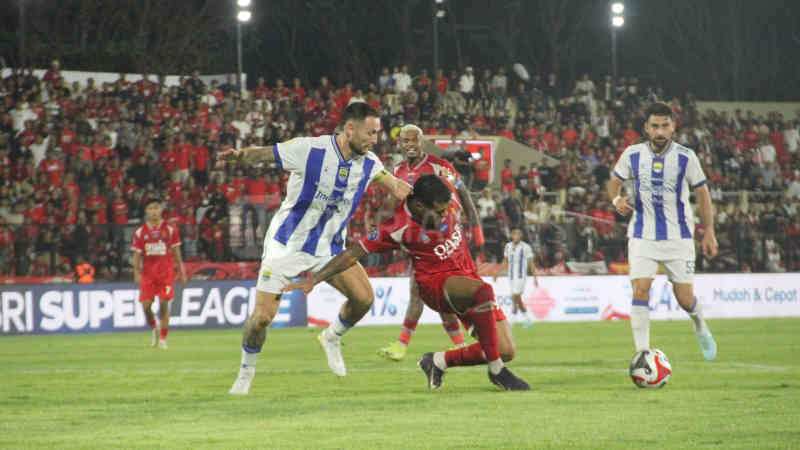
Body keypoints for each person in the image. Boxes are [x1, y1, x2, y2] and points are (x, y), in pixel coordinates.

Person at [223, 102, 412, 395]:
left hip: (329, 249)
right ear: (350, 129)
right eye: (370, 133)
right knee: (261, 319)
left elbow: (399, 188)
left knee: (363, 299)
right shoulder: (310, 149)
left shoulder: (370, 163)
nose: (375, 139)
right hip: (287, 245)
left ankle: (332, 336)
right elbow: (266, 153)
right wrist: (240, 156)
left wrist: (436, 195)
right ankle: (246, 373)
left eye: (377, 133)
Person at [285, 175, 530, 391]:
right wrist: (315, 279)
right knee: (485, 291)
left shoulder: (446, 196)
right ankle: (497, 372)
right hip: (437, 284)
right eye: (439, 211)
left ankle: (436, 362)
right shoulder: (397, 226)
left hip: (467, 279)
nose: (446, 215)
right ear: (420, 206)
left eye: (447, 209)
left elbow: (460, 190)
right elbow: (351, 254)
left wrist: (475, 226)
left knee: (506, 350)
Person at [607, 101, 718, 361]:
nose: (660, 131)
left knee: (684, 298)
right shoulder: (632, 154)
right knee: (640, 289)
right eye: (655, 126)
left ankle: (699, 323)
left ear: (673, 127)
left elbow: (702, 192)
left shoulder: (686, 157)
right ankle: (643, 355)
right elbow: (614, 182)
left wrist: (709, 231)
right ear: (646, 128)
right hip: (642, 234)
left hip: (678, 236)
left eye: (664, 126)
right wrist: (617, 200)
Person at [377, 124, 484, 361]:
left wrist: (477, 233)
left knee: (439, 295)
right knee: (422, 292)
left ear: (422, 142)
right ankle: (408, 345)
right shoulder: (398, 170)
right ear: (400, 144)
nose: (410, 145)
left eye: (415, 141)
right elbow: (395, 203)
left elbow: (464, 195)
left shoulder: (439, 166)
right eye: (406, 141)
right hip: (421, 243)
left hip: (445, 241)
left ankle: (474, 337)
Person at [131, 198, 187, 350]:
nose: (154, 211)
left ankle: (163, 338)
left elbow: (177, 253)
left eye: (157, 208)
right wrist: (136, 273)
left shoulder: (170, 229)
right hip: (148, 275)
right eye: (150, 208)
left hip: (166, 273)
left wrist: (182, 271)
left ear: (161, 210)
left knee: (163, 304)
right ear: (146, 211)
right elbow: (137, 255)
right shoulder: (140, 232)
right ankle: (154, 327)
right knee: (146, 307)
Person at [494, 227, 537, 327]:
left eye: (518, 234)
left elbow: (531, 263)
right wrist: (497, 273)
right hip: (511, 276)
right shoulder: (508, 246)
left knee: (515, 296)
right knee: (516, 297)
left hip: (521, 276)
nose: (516, 236)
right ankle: (527, 319)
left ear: (521, 236)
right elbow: (505, 261)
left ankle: (513, 319)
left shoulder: (526, 247)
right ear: (511, 236)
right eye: (514, 234)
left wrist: (535, 277)